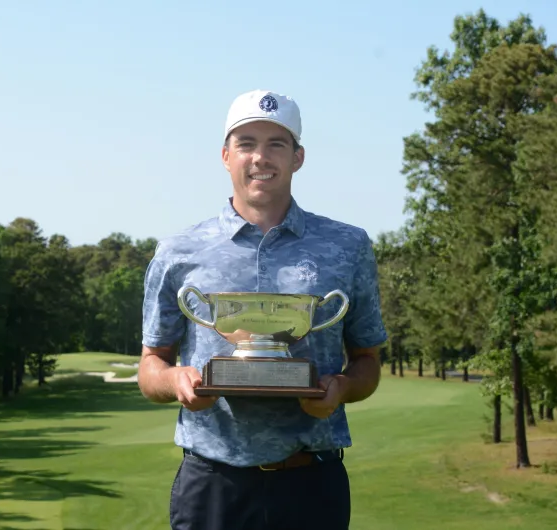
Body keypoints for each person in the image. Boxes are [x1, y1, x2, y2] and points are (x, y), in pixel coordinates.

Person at [137, 89, 387, 530]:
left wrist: (340, 390)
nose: (260, 157)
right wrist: (176, 379)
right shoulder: (179, 250)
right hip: (214, 483)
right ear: (225, 155)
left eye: (276, 144)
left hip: (313, 481)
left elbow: (367, 361)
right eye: (247, 143)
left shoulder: (348, 245)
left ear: (298, 157)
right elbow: (151, 364)